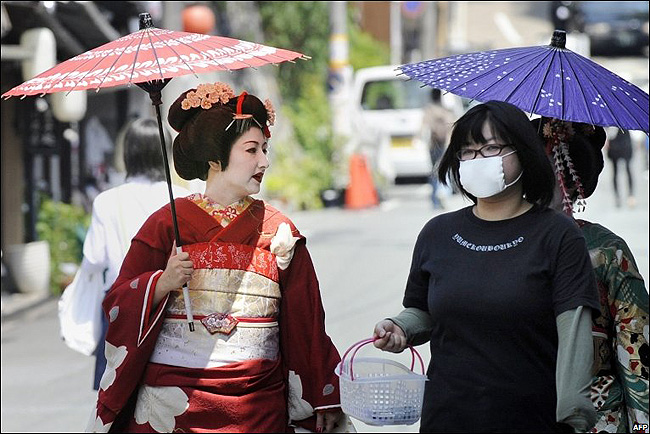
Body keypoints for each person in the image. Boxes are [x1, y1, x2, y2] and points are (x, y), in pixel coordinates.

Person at [86, 82, 345, 433]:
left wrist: (323, 392)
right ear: (213, 156)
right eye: (252, 150)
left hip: (256, 406)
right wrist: (160, 284)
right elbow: (117, 302)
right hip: (173, 406)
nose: (264, 161)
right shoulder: (166, 224)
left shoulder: (279, 231)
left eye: (265, 149)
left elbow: (307, 320)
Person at [372, 101, 600, 433]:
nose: (479, 160)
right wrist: (401, 327)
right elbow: (424, 310)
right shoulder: (437, 233)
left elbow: (574, 336)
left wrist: (571, 421)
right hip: (446, 419)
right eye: (468, 151)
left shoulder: (557, 236)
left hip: (529, 421)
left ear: (522, 152)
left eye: (492, 148)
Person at [532, 116, 649, 433]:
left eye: (549, 170)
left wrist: (642, 425)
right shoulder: (499, 243)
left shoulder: (608, 251)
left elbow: (635, 346)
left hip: (596, 415)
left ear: (572, 180)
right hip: (519, 409)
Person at [60, 117, 191, 390]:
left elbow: (95, 258)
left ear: (128, 154)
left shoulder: (108, 201)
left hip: (122, 302)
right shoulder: (180, 198)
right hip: (171, 301)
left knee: (116, 387)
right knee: (167, 387)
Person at [420, 88, 455, 209]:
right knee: (441, 170)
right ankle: (439, 197)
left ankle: (435, 199)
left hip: (432, 145)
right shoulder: (445, 111)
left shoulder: (428, 110)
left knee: (434, 171)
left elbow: (423, 128)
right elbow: (451, 128)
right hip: (443, 144)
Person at [605, 127, 635, 208]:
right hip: (615, 144)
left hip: (624, 142)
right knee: (616, 172)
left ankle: (630, 196)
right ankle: (618, 196)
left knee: (627, 170)